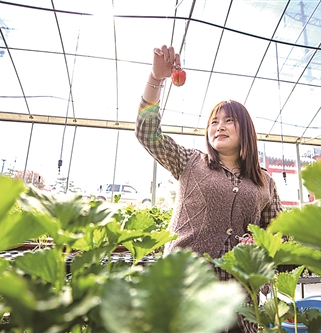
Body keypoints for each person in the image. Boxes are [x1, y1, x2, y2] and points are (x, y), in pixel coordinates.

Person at [135, 45, 283, 333]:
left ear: (246, 130)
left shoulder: (265, 181)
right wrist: (157, 78)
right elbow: (147, 133)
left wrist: (260, 247)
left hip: (238, 299)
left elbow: (279, 233)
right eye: (214, 121)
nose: (219, 126)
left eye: (229, 120)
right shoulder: (190, 162)